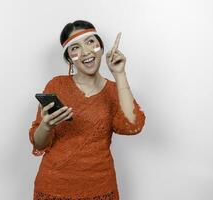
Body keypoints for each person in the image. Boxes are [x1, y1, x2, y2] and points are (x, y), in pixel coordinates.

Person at [28, 20, 146, 199]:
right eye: (75, 47)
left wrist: (119, 73)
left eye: (90, 42)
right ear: (69, 57)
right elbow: (39, 144)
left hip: (100, 187)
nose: (86, 52)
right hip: (53, 186)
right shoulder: (56, 85)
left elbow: (133, 126)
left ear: (100, 46)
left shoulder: (114, 90)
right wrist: (46, 126)